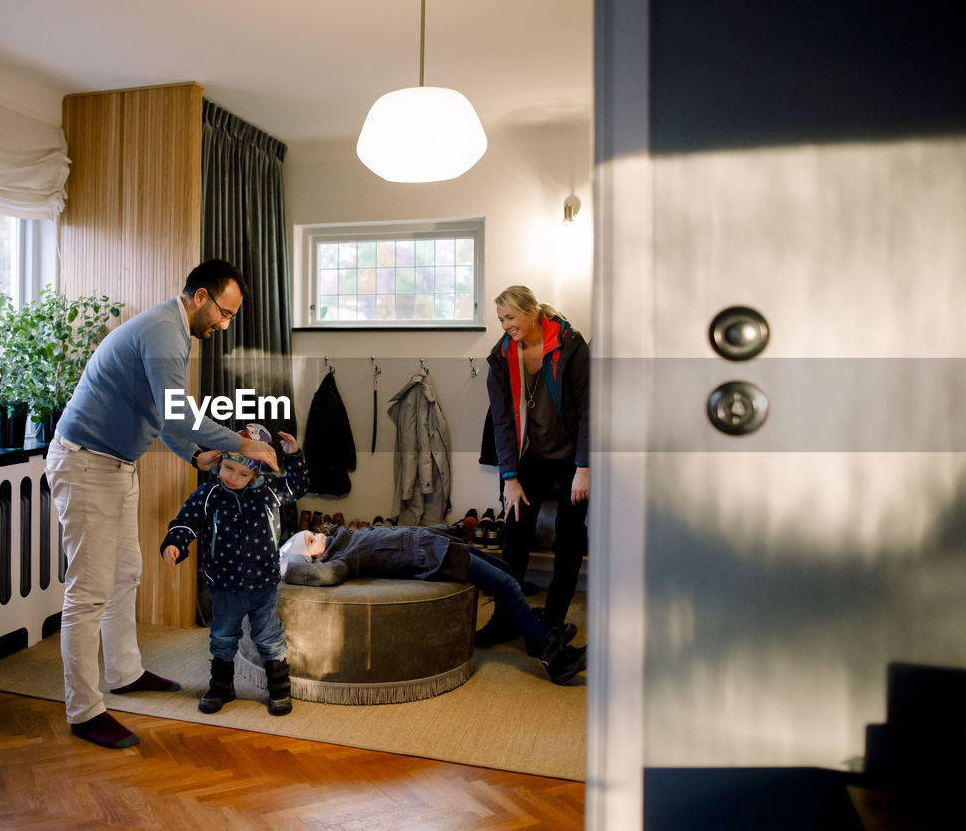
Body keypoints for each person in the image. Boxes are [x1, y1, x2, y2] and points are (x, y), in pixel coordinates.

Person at [45, 259, 280, 749]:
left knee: (125, 572)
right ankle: (84, 710)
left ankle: (125, 672)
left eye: (231, 317)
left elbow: (163, 416)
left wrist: (197, 455)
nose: (224, 324)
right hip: (85, 463)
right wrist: (244, 445)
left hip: (117, 465)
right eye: (224, 313)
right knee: (88, 591)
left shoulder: (173, 334)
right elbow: (178, 412)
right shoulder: (163, 332)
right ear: (200, 296)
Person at [279, 526, 586, 685]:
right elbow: (325, 575)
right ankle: (550, 655)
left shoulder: (343, 539)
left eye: (312, 534)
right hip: (432, 557)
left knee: (506, 571)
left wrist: (443, 529)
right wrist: (282, 566)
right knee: (506, 585)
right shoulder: (341, 559)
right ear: (313, 559)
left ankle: (517, 625)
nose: (319, 534)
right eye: (311, 541)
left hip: (436, 542)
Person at [160, 424, 307, 716]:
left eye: (244, 474)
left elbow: (297, 486)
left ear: (257, 474)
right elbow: (185, 521)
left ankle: (279, 689)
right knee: (223, 636)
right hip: (223, 584)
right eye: (228, 468)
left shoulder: (270, 492)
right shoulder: (208, 494)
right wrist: (175, 543)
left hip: (263, 583)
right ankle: (221, 687)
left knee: (269, 637)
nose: (234, 478)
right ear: (219, 462)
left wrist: (293, 456)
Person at [479, 286, 590, 648]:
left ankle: (552, 624)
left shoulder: (571, 345)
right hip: (531, 458)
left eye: (511, 317)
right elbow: (503, 423)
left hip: (573, 457)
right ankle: (505, 618)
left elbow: (589, 408)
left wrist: (585, 467)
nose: (506, 325)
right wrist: (509, 476)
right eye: (500, 320)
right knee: (515, 537)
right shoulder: (501, 357)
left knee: (569, 541)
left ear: (532, 312)